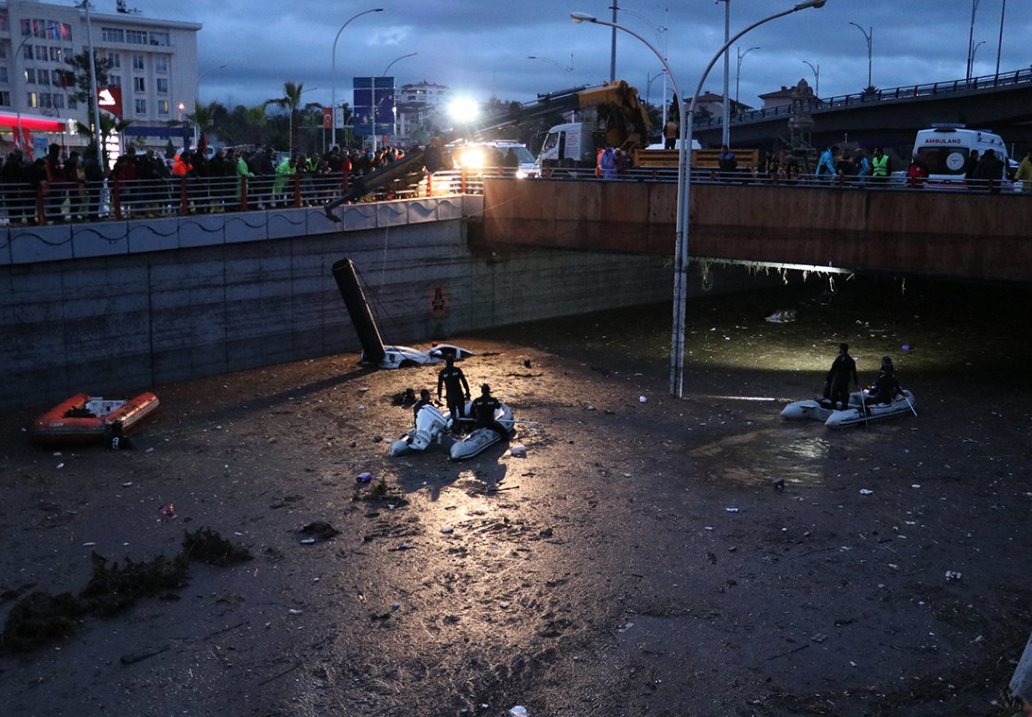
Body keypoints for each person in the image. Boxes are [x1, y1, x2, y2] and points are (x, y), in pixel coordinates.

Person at [823, 343, 859, 410]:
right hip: (846, 379)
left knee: (834, 393)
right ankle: (844, 407)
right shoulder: (851, 360)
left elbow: (833, 370)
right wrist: (856, 382)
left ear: (841, 349)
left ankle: (833, 407)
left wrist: (827, 379)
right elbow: (854, 372)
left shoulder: (839, 359)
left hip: (838, 378)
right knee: (844, 393)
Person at [436, 356, 470, 424]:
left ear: (446, 363)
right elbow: (464, 382)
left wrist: (439, 395)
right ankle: (462, 427)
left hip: (450, 396)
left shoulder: (442, 372)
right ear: (453, 362)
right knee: (461, 413)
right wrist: (467, 392)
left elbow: (439, 385)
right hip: (459, 394)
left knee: (453, 414)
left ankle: (454, 427)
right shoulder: (457, 370)